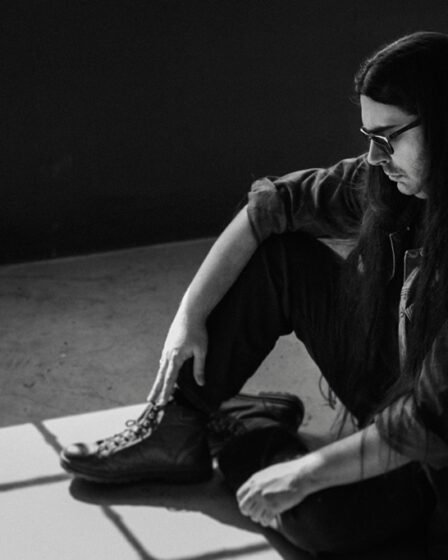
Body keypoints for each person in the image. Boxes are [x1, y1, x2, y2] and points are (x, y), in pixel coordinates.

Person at [60, 31, 448, 558]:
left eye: (389, 137)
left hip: (432, 443)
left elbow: (429, 423)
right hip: (396, 389)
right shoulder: (393, 182)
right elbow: (274, 204)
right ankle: (178, 427)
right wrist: (188, 317)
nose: (375, 158)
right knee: (279, 257)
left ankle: (248, 425)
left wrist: (304, 473)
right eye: (368, 137)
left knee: (323, 522)